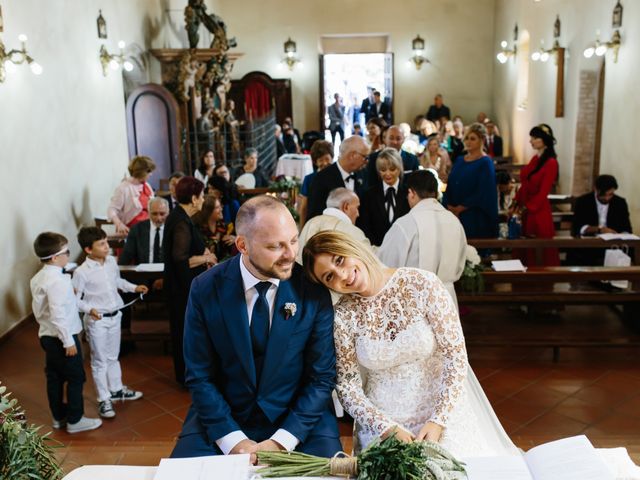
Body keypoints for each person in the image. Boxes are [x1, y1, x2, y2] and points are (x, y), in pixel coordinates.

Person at [302, 230, 519, 458]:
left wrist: (439, 420)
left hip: (441, 413)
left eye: (339, 260)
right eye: (329, 277)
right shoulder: (343, 316)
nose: (343, 275)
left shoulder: (422, 283)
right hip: (384, 425)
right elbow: (347, 388)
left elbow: (455, 355)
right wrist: (384, 426)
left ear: (351, 248)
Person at [171, 195, 341, 460]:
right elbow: (199, 375)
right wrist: (235, 442)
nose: (291, 255)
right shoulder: (205, 288)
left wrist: (280, 442)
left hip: (299, 419)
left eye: (294, 241)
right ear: (243, 245)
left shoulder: (311, 290)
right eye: (275, 246)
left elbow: (321, 378)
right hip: (224, 417)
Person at [30, 232, 102, 434]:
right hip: (64, 337)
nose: (69, 255)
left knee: (55, 377)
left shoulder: (39, 278)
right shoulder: (58, 282)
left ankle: (58, 417)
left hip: (47, 336)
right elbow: (58, 314)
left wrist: (88, 308)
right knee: (76, 377)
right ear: (54, 257)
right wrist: (68, 341)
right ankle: (75, 420)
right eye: (66, 252)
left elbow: (67, 303)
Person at [73, 227, 146, 418]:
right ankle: (103, 399)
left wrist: (134, 287)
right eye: (102, 244)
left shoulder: (111, 261)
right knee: (99, 361)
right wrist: (90, 309)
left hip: (116, 316)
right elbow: (75, 300)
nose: (107, 247)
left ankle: (116, 389)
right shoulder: (81, 272)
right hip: (98, 321)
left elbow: (118, 283)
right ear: (89, 249)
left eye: (106, 242)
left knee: (113, 356)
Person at [378, 170, 467, 307]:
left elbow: (386, 265)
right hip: (447, 299)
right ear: (436, 193)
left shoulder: (405, 224)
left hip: (415, 299)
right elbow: (461, 261)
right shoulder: (453, 221)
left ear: (411, 193)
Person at [163, 177, 217, 385]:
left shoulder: (183, 218)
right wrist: (205, 258)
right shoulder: (180, 221)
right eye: (201, 196)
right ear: (194, 198)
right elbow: (180, 258)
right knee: (185, 332)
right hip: (181, 288)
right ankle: (187, 376)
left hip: (183, 285)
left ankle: (190, 374)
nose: (203, 200)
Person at [511, 124, 560, 266]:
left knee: (537, 249)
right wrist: (516, 202)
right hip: (526, 207)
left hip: (537, 212)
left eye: (535, 137)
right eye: (531, 137)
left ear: (545, 140)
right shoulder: (535, 159)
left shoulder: (551, 163)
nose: (531, 141)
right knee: (524, 246)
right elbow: (525, 184)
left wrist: (527, 207)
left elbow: (543, 192)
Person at [443, 123, 498, 239]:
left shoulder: (485, 162)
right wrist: (450, 206)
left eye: (472, 139)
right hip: (454, 213)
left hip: (474, 214)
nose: (468, 142)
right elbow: (452, 183)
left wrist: (461, 208)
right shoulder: (459, 160)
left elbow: (483, 191)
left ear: (482, 140)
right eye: (466, 138)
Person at [297, 187, 373, 264]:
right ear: (345, 206)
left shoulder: (310, 222)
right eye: (357, 208)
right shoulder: (351, 231)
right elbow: (372, 261)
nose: (358, 214)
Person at [569, 174, 633, 266]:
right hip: (589, 244)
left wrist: (621, 235)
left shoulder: (620, 203)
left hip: (613, 245)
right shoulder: (583, 201)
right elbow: (578, 227)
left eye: (610, 194)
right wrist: (599, 229)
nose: (607, 198)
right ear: (596, 189)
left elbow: (627, 227)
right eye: (603, 195)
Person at [307, 135, 369, 221]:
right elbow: (314, 216)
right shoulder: (321, 178)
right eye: (365, 157)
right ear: (352, 155)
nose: (367, 161)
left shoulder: (364, 175)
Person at [358, 148, 410, 246]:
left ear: (400, 168)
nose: (387, 174)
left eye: (392, 169)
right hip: (376, 252)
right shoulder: (368, 195)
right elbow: (364, 226)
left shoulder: (410, 194)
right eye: (383, 170)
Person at [108, 156, 156, 235]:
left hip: (149, 228)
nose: (151, 174)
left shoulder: (147, 186)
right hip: (132, 230)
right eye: (149, 171)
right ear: (142, 172)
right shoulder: (123, 188)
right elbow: (111, 210)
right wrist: (119, 224)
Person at [118, 197, 169, 265]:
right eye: (154, 214)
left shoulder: (174, 229)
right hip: (143, 273)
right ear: (148, 213)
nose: (158, 218)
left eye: (162, 214)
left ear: (168, 213)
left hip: (166, 273)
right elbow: (127, 255)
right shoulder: (137, 229)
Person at [297, 140, 334, 229]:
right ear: (315, 162)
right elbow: (304, 207)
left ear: (332, 158)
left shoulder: (336, 176)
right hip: (314, 223)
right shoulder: (309, 179)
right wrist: (302, 229)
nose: (324, 163)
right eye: (321, 160)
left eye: (327, 159)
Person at [192, 194, 237, 261]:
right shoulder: (196, 229)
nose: (221, 209)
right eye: (217, 207)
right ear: (208, 211)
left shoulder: (224, 226)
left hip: (223, 264)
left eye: (220, 206)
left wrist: (235, 239)